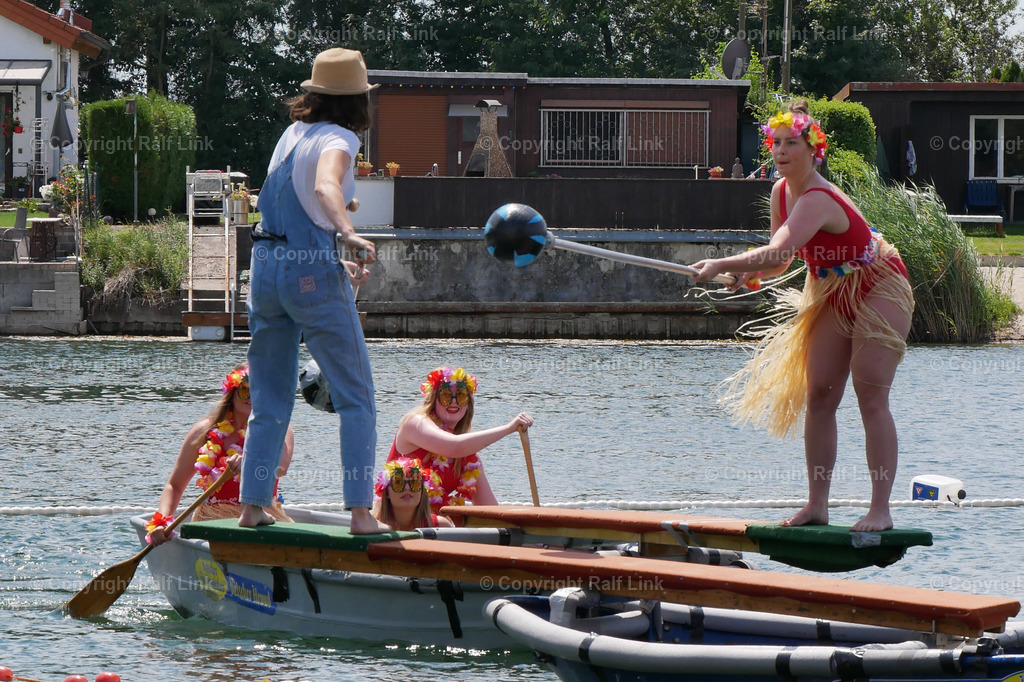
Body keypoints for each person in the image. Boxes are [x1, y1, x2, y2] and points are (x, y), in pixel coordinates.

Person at [690, 101, 915, 533]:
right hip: (830, 286)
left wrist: (721, 263)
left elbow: (779, 250)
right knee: (820, 395)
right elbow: (777, 263)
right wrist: (745, 273)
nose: (781, 151)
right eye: (776, 143)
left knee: (871, 397)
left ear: (814, 151)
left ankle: (880, 510)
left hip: (877, 282)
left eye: (792, 143)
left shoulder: (816, 197)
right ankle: (817, 505)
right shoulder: (780, 191)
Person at [238, 47, 389, 534]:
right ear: (359, 102)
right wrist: (347, 233)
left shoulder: (290, 134)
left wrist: (331, 256)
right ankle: (362, 515)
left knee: (269, 399)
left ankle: (252, 506)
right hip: (309, 271)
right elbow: (325, 189)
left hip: (265, 269)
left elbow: (290, 214)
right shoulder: (341, 138)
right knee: (357, 397)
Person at [148, 364, 294, 545]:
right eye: (245, 390)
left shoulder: (279, 428)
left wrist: (250, 464)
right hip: (212, 518)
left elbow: (281, 468)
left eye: (259, 391)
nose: (252, 397)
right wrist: (161, 522)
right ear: (232, 392)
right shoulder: (205, 431)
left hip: (265, 517)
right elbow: (174, 485)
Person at [388, 367, 533, 514]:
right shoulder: (414, 423)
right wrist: (509, 428)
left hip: (435, 526)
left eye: (461, 396)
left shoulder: (469, 457)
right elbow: (454, 446)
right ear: (433, 399)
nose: (453, 402)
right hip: (397, 522)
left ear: (468, 404)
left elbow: (490, 509)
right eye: (445, 395)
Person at [372, 457, 455, 531]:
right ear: (387, 493)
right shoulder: (374, 526)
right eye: (398, 483)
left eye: (415, 482)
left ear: (422, 491)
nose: (407, 488)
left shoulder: (441, 526)